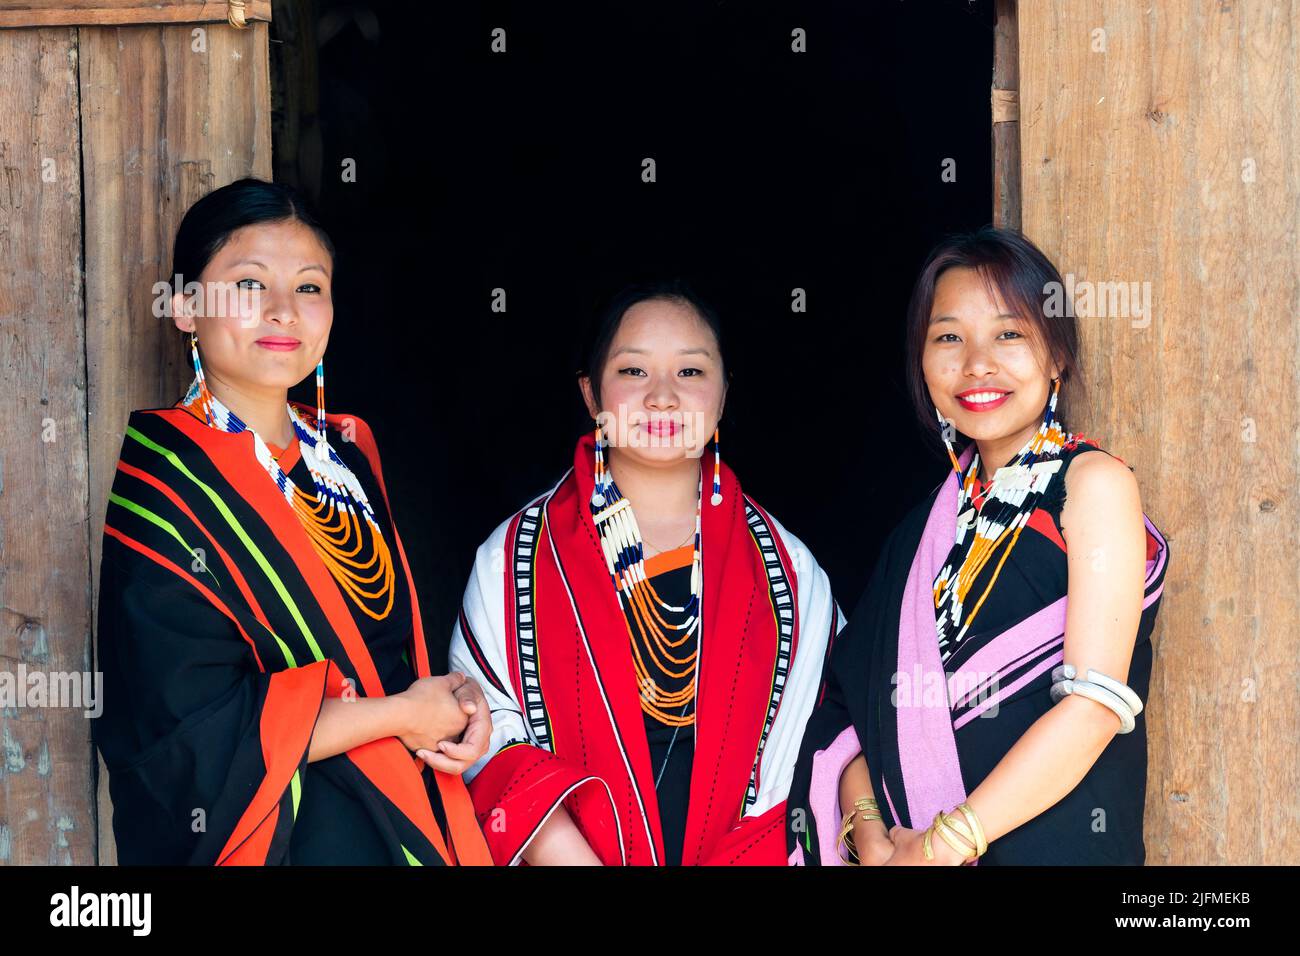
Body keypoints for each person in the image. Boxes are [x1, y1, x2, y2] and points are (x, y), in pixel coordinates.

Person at [93, 178, 492, 865]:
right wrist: (401, 715)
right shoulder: (169, 484)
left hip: (409, 812)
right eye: (250, 285)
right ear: (186, 307)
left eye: (309, 288)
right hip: (293, 841)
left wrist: (456, 703)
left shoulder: (347, 455)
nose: (284, 312)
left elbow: (391, 654)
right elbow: (190, 732)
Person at [787, 227, 1169, 865]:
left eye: (1009, 333)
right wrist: (873, 838)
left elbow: (1095, 707)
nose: (976, 363)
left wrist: (937, 849)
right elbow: (846, 712)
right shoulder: (917, 536)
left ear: (1057, 355)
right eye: (948, 338)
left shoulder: (1092, 487)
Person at [450, 280, 842, 864]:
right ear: (591, 394)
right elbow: (482, 732)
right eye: (634, 372)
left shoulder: (788, 572)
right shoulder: (514, 559)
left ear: (724, 396)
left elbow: (822, 742)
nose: (662, 397)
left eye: (690, 373)